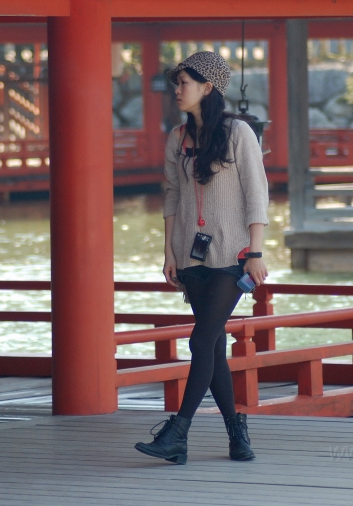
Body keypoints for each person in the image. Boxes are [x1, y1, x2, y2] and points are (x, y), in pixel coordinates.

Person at [134, 52, 269, 465]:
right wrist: (169, 250)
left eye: (185, 84)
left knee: (199, 340)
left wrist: (257, 251)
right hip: (191, 256)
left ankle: (178, 432)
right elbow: (172, 195)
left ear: (207, 88)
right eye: (177, 84)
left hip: (233, 254)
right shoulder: (176, 138)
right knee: (212, 346)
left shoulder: (238, 133)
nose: (177, 91)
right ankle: (237, 435)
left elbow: (256, 193)